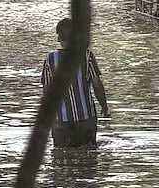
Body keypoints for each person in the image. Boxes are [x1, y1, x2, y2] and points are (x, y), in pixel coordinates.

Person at [42, 18, 111, 147]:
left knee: (62, 159)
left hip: (61, 120)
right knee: (89, 158)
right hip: (86, 118)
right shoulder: (87, 56)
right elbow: (97, 85)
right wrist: (105, 107)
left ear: (60, 38)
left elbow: (47, 92)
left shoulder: (50, 59)